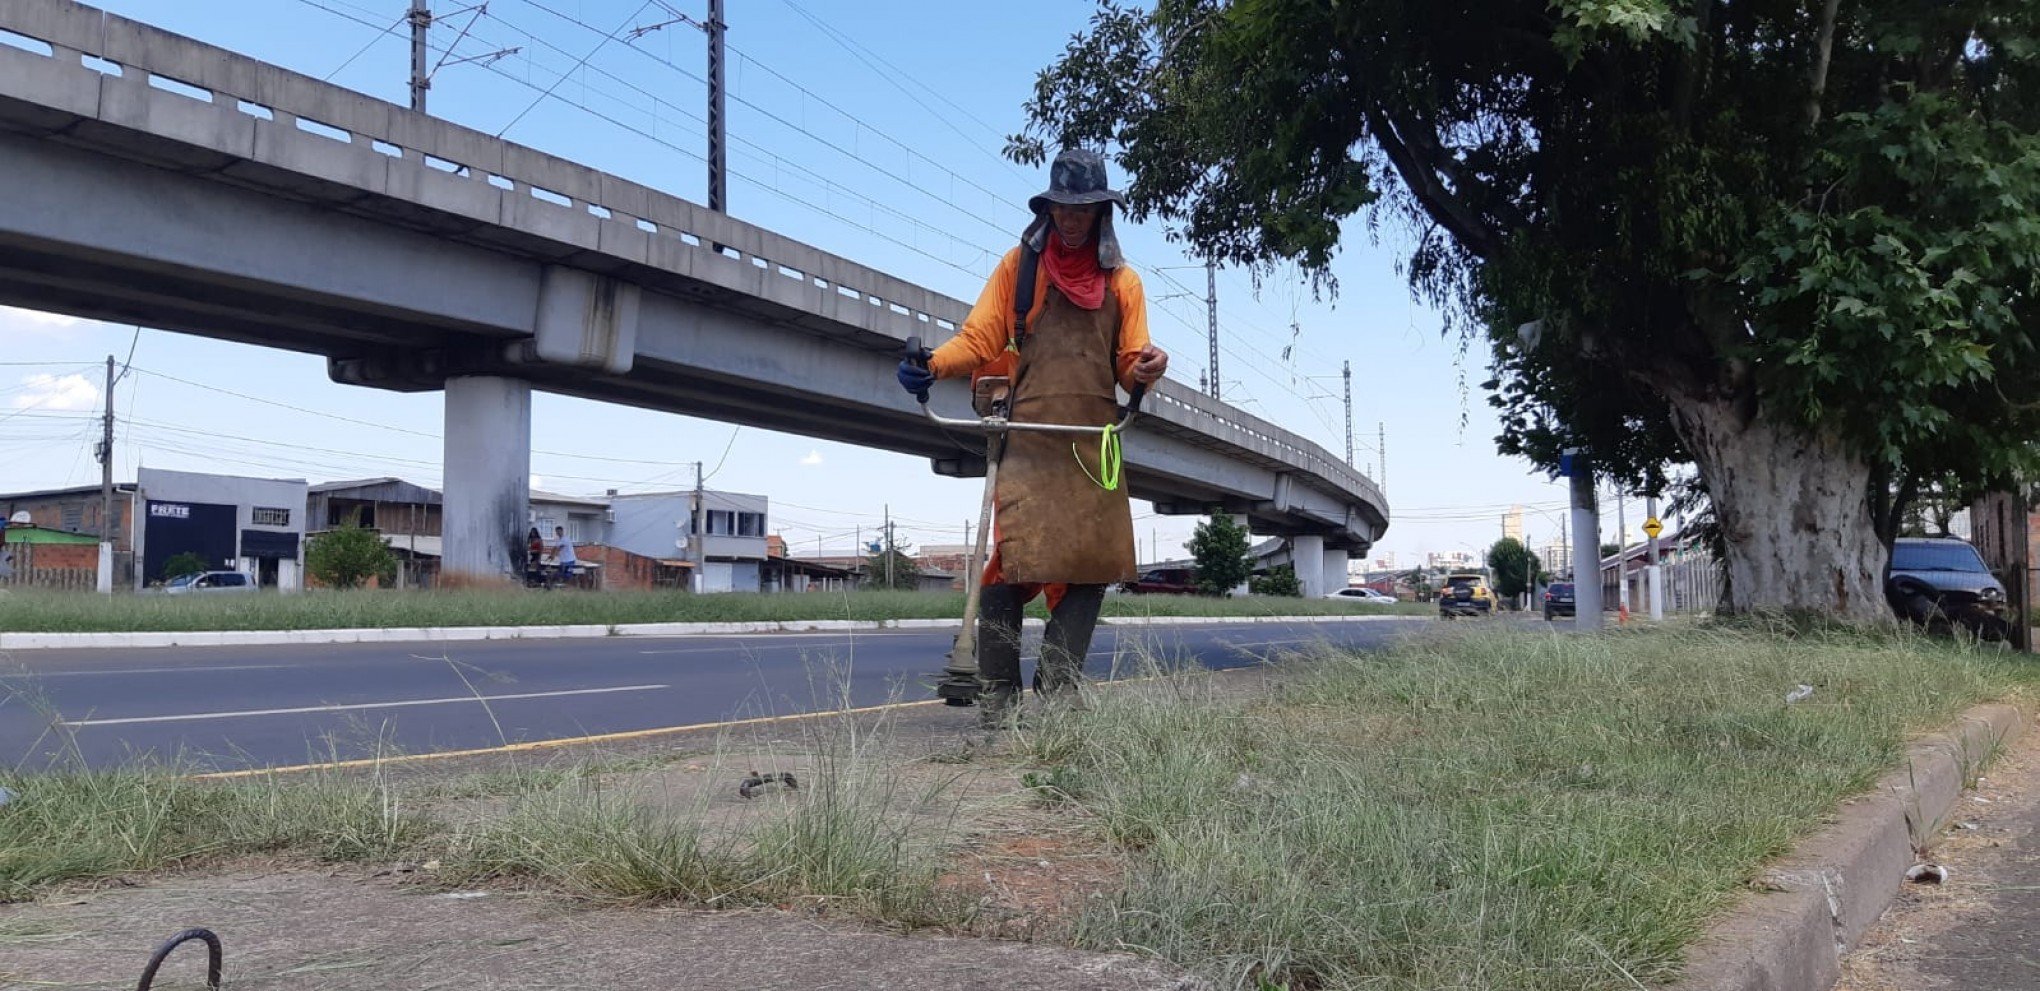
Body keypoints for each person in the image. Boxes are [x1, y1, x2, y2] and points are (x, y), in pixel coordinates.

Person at [898, 147, 1168, 715]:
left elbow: (1127, 362)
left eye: (1085, 209)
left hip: (1093, 442)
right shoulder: (1020, 270)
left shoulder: (1124, 283)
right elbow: (979, 339)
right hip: (1027, 435)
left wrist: (1144, 369)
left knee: (1093, 565)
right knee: (1011, 562)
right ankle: (997, 696)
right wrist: (933, 365)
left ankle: (1058, 686)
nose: (1073, 220)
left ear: (1102, 213)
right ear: (1048, 209)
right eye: (1064, 209)